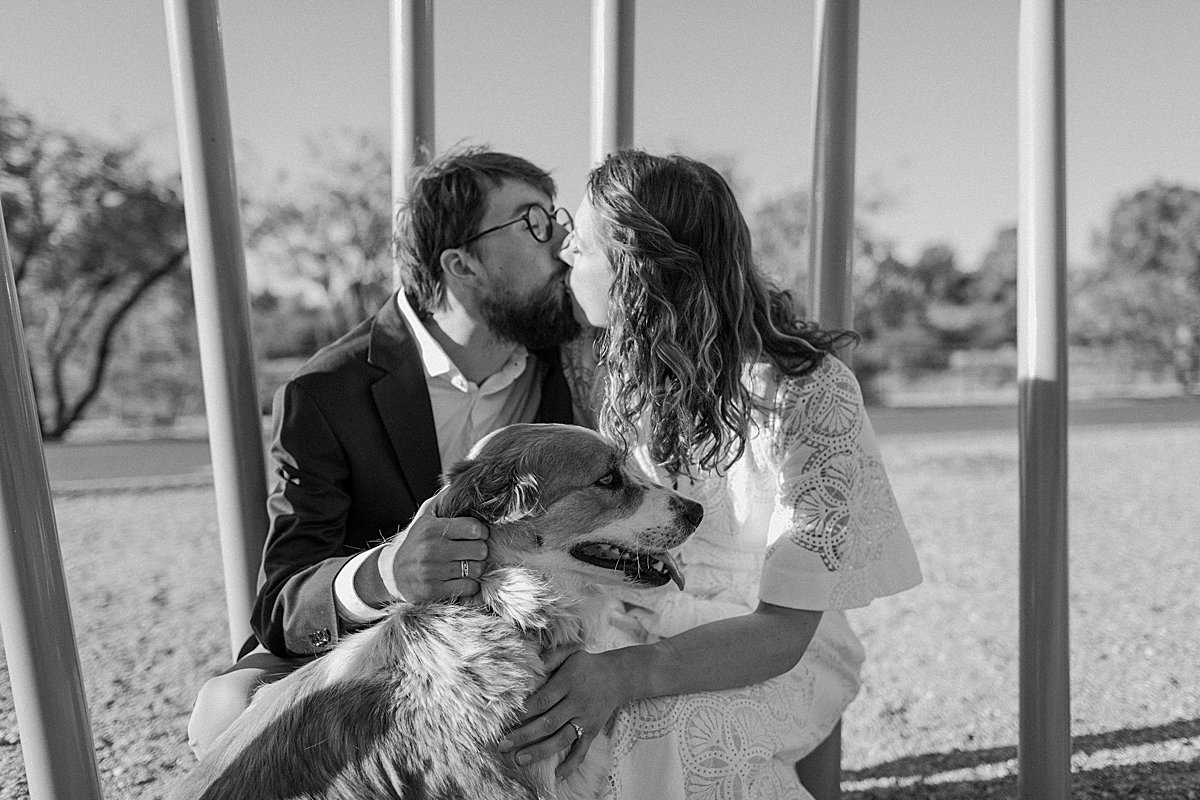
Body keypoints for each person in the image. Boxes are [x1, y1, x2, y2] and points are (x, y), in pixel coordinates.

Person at [499, 150, 923, 800]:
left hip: (768, 643)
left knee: (644, 732)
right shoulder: (613, 373)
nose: (564, 261)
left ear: (636, 272)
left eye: (581, 249)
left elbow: (783, 631)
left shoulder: (810, 395)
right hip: (631, 612)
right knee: (529, 719)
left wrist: (620, 675)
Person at [187, 147, 583, 755]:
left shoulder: (571, 360)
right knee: (227, 709)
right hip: (375, 638)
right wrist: (387, 572)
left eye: (557, 220)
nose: (560, 243)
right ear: (462, 264)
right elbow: (283, 603)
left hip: (522, 629)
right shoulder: (323, 394)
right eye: (533, 222)